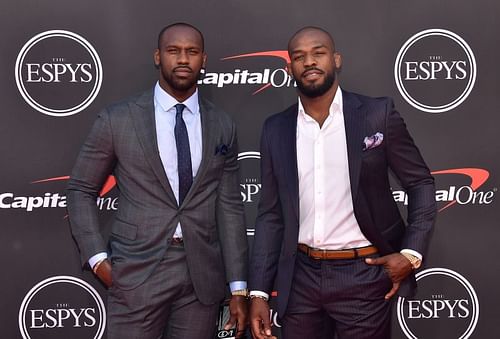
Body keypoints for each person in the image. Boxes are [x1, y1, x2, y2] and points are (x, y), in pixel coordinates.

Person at [248, 26, 437, 339]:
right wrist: (258, 293)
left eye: (318, 53)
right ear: (289, 68)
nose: (309, 61)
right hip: (300, 278)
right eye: (299, 56)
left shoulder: (377, 114)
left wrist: (411, 253)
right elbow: (270, 215)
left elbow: (420, 184)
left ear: (336, 59)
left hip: (364, 272)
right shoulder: (275, 129)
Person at [67, 23, 248, 339]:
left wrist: (238, 286)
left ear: (203, 59)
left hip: (201, 277)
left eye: (191, 52)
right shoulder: (118, 119)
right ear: (157, 56)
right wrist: (97, 259)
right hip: (136, 272)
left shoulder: (221, 124)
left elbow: (230, 207)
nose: (182, 59)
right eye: (173, 51)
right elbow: (80, 189)